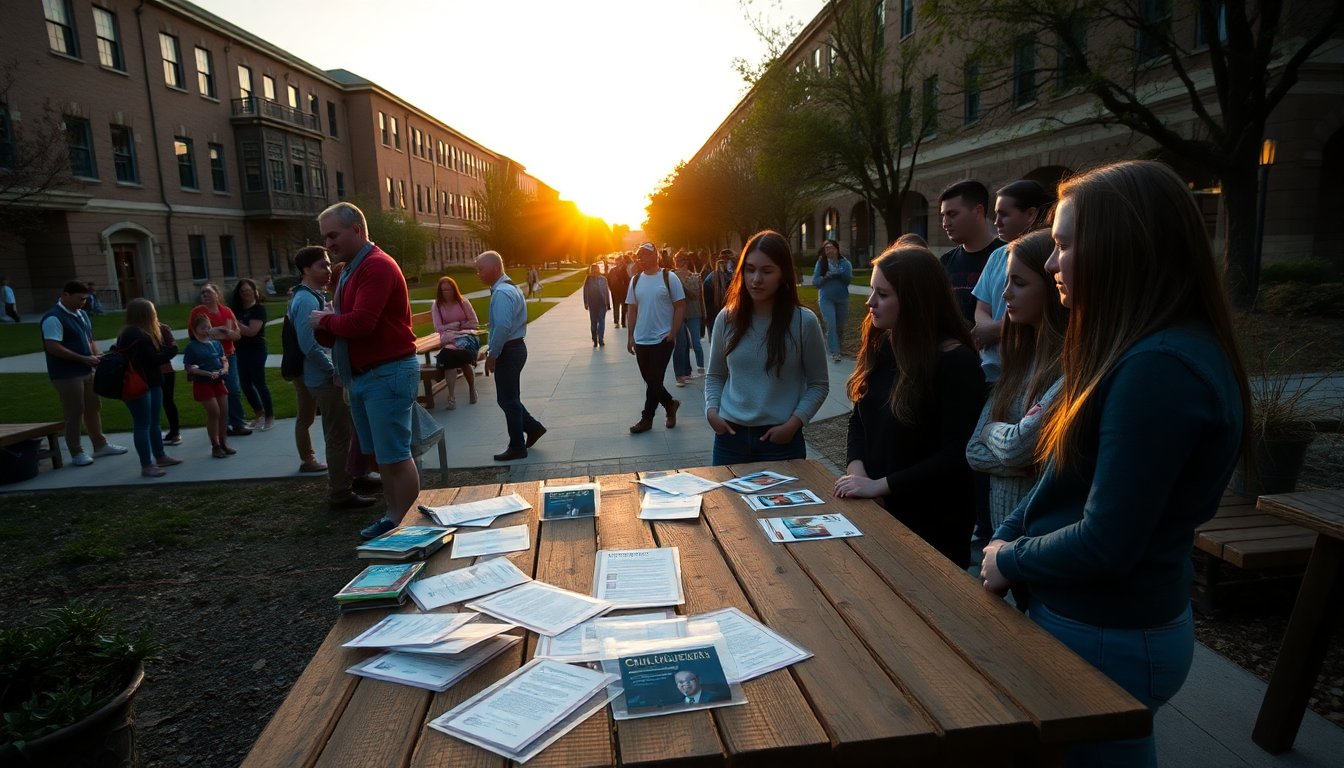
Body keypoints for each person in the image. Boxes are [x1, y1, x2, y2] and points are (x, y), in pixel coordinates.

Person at [980, 160, 1250, 767]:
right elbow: (1062, 477)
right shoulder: (1135, 350)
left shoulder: (1160, 369)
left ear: (1121, 249)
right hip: (1097, 624)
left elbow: (1110, 539)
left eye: (1064, 245)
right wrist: (1004, 539)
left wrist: (1011, 559)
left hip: (1109, 634)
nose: (1051, 264)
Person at [833, 244, 985, 567]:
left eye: (883, 294)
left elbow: (955, 455)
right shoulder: (884, 344)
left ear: (915, 300)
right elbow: (859, 417)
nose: (870, 302)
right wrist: (857, 474)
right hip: (875, 511)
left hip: (930, 525)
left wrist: (881, 486)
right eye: (872, 290)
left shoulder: (955, 362)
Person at [309, 202, 420, 540]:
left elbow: (361, 323)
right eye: (325, 237)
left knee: (395, 455)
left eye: (333, 235)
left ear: (356, 229)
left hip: (386, 373)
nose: (328, 244)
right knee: (381, 456)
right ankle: (394, 517)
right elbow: (342, 325)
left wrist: (325, 319)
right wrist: (327, 324)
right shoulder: (350, 270)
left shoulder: (376, 267)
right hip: (364, 375)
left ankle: (408, 523)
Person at [964, 230, 1066, 541]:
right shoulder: (1020, 360)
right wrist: (1016, 454)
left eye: (1019, 283)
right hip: (1003, 534)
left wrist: (991, 432)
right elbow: (974, 452)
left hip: (1040, 538)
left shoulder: (1066, 364)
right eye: (1007, 281)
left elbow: (1019, 446)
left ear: (1051, 289)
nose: (1005, 294)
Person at [705, 231, 829, 465]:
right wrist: (712, 411)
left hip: (781, 442)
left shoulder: (804, 321)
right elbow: (715, 375)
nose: (756, 279)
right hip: (729, 440)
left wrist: (794, 424)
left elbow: (819, 384)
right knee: (726, 502)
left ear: (783, 274)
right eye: (750, 269)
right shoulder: (727, 318)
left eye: (767, 271)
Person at [289, 246, 375, 510]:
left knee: (351, 428)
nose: (328, 270)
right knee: (338, 435)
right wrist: (333, 371)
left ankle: (357, 475)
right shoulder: (304, 300)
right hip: (325, 379)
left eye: (328, 265)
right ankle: (340, 492)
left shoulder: (314, 296)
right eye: (322, 266)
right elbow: (309, 345)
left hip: (330, 375)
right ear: (305, 270)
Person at [970, 180, 1052, 383]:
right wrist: (987, 328)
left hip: (1029, 370)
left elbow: (1048, 312)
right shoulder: (997, 256)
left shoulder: (1047, 256)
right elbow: (982, 307)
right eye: (996, 214)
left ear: (1031, 214)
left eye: (1004, 214)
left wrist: (996, 330)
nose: (996, 221)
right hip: (990, 367)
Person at [40, 281, 128, 466]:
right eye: (80, 298)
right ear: (65, 295)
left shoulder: (82, 315)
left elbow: (89, 338)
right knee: (74, 410)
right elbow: (53, 347)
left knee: (93, 406)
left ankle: (100, 444)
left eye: (85, 299)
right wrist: (82, 358)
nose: (83, 302)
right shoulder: (53, 318)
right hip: (66, 373)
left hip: (87, 369)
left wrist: (95, 354)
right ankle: (76, 451)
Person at [476, 250, 546, 461]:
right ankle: (532, 428)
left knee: (508, 400)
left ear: (495, 268)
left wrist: (492, 354)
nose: (478, 274)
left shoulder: (502, 293)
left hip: (509, 350)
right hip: (514, 348)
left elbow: (503, 327)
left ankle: (517, 446)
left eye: (481, 269)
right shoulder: (508, 288)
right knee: (509, 398)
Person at [115, 299, 180, 477]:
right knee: (143, 424)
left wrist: (165, 351)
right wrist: (172, 350)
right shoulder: (134, 334)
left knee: (154, 422)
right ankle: (146, 464)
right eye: (152, 311)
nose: (155, 314)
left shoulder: (142, 332)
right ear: (146, 313)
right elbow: (152, 358)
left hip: (152, 382)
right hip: (138, 385)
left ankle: (159, 456)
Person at [625, 241, 685, 434]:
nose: (640, 257)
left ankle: (646, 419)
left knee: (654, 379)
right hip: (641, 339)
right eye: (639, 255)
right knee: (652, 380)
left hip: (663, 339)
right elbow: (632, 309)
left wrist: (673, 332)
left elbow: (680, 306)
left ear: (655, 256)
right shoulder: (635, 280)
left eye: (644, 254)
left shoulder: (669, 277)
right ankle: (670, 404)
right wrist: (630, 336)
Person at [938, 180, 1004, 326]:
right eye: (943, 215)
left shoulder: (1007, 256)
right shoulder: (945, 262)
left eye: (952, 214)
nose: (945, 223)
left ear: (978, 211)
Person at [189, 283, 250, 437]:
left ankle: (238, 423)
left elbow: (236, 335)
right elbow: (193, 334)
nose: (204, 295)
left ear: (217, 294)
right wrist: (214, 333)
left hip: (228, 355)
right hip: (208, 359)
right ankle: (224, 426)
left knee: (234, 390)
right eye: (202, 292)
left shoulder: (226, 311)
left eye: (208, 292)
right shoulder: (198, 312)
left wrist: (224, 332)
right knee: (216, 393)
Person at [182, 315, 233, 458]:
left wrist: (224, 369)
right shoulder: (192, 346)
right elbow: (189, 367)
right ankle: (215, 445)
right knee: (214, 412)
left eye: (208, 327)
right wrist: (206, 373)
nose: (206, 330)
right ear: (195, 330)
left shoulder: (216, 343)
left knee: (224, 411)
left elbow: (224, 360)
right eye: (203, 328)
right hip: (203, 383)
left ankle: (223, 442)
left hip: (218, 381)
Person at [230, 278, 274, 431]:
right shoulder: (236, 309)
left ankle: (269, 416)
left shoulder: (258, 309)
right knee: (245, 384)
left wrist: (235, 323)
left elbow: (251, 331)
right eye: (243, 291)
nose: (246, 294)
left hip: (256, 349)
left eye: (249, 290)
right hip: (240, 350)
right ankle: (258, 411)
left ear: (255, 291)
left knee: (259, 383)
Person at [431, 275, 482, 409]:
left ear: (455, 289)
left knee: (462, 356)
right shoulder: (437, 305)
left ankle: (471, 389)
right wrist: (454, 325)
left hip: (467, 337)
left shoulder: (463, 302)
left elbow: (475, 323)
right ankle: (451, 396)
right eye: (444, 290)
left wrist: (458, 326)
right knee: (449, 360)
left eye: (450, 289)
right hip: (450, 339)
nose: (447, 293)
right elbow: (438, 328)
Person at [812, 239, 853, 363]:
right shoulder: (821, 263)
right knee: (831, 324)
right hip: (826, 299)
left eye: (831, 247)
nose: (829, 250)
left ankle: (837, 347)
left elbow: (848, 281)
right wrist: (825, 277)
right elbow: (815, 282)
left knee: (839, 327)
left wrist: (839, 274)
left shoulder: (845, 263)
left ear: (836, 249)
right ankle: (835, 352)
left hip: (842, 299)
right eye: (826, 248)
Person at [672, 252, 705, 384]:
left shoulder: (694, 276)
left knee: (695, 341)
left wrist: (682, 281)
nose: (678, 262)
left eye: (680, 260)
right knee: (681, 344)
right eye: (676, 259)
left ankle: (700, 367)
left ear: (686, 262)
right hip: (678, 313)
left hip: (693, 312)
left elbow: (696, 294)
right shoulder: (671, 276)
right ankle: (684, 372)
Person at [158, 319, 181, 446]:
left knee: (167, 401)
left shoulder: (163, 328)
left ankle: (175, 432)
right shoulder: (137, 330)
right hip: (158, 371)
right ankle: (172, 432)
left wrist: (157, 355)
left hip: (165, 371)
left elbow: (173, 348)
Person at [703, 251, 733, 344]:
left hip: (714, 317)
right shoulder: (733, 278)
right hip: (730, 315)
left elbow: (707, 304)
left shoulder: (708, 279)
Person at [582, 264, 610, 348]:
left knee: (601, 322)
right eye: (593, 269)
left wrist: (608, 303)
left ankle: (601, 338)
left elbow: (606, 291)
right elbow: (585, 291)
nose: (594, 271)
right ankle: (594, 339)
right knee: (593, 323)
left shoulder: (603, 279)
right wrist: (586, 303)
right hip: (592, 304)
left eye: (596, 269)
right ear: (591, 270)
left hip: (602, 303)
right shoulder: (588, 279)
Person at [607, 255, 629, 328]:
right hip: (615, 291)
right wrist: (611, 289)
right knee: (616, 307)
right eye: (617, 261)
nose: (618, 262)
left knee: (624, 307)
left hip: (623, 291)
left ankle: (623, 322)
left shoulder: (624, 269)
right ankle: (616, 322)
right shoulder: (612, 270)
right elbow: (609, 281)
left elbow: (627, 280)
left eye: (619, 260)